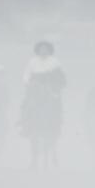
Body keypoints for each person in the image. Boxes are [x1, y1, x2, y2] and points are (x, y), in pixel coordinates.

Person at [20, 40, 66, 169]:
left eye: (45, 49)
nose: (43, 51)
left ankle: (57, 122)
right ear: (38, 50)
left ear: (49, 50)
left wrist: (53, 87)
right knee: (26, 103)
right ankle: (25, 123)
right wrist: (28, 83)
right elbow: (26, 75)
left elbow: (61, 78)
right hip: (35, 88)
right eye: (41, 49)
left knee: (56, 104)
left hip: (50, 88)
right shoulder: (32, 61)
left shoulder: (55, 62)